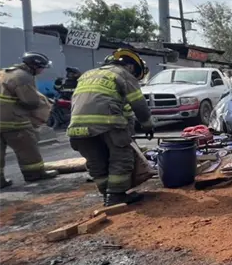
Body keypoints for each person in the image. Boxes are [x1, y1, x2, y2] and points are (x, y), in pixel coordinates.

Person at [68, 48, 153, 205]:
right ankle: (115, 196)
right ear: (131, 67)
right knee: (121, 157)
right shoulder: (123, 74)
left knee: (96, 160)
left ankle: (106, 193)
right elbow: (138, 103)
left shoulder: (88, 74)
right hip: (108, 122)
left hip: (77, 126)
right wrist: (147, 125)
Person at [0, 52, 59, 188]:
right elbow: (30, 101)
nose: (42, 71)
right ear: (35, 66)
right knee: (27, 147)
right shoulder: (23, 76)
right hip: (12, 119)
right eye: (42, 67)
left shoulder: (4, 72)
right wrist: (43, 103)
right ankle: (34, 174)